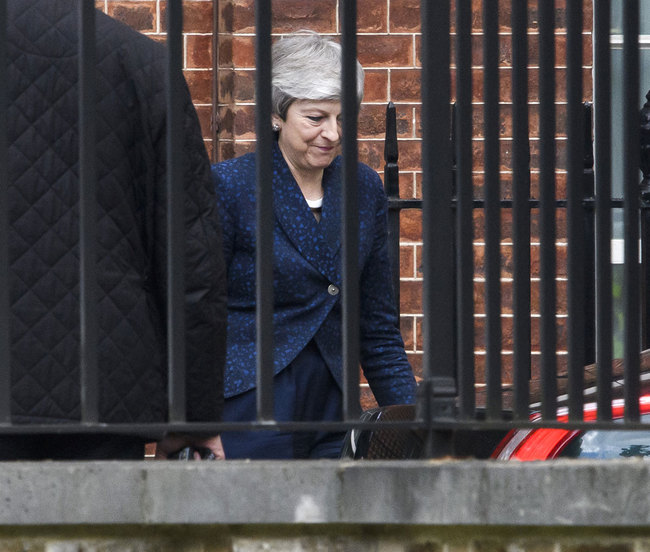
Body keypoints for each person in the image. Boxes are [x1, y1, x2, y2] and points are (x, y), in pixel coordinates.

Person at [2, 0, 227, 460]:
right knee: (97, 532)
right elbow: (191, 256)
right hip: (104, 382)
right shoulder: (142, 63)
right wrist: (195, 415)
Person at [212, 31, 417, 459]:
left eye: (343, 119)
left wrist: (411, 420)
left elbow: (376, 323)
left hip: (333, 403)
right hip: (249, 402)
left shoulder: (362, 187)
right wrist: (193, 417)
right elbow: (197, 310)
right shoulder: (231, 186)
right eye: (315, 117)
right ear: (276, 115)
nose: (332, 133)